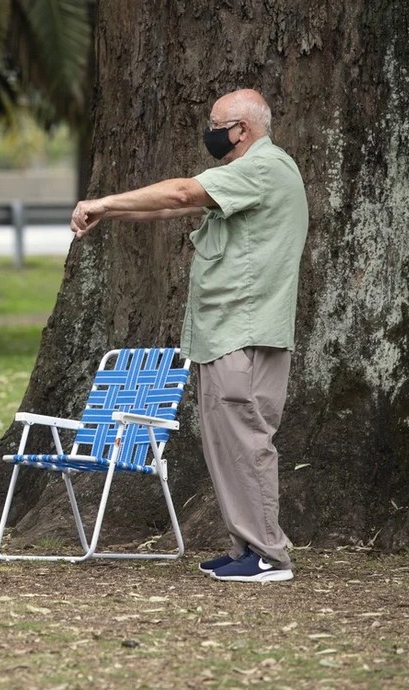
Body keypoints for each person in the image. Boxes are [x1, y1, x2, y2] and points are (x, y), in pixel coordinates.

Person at [69, 89, 307, 583]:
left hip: (243, 333)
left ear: (241, 129)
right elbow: (169, 210)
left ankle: (269, 555)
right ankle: (247, 546)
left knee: (247, 441)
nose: (210, 130)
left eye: (216, 122)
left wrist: (102, 199)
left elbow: (180, 193)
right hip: (225, 334)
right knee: (228, 444)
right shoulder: (245, 178)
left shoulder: (265, 167)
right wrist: (108, 212)